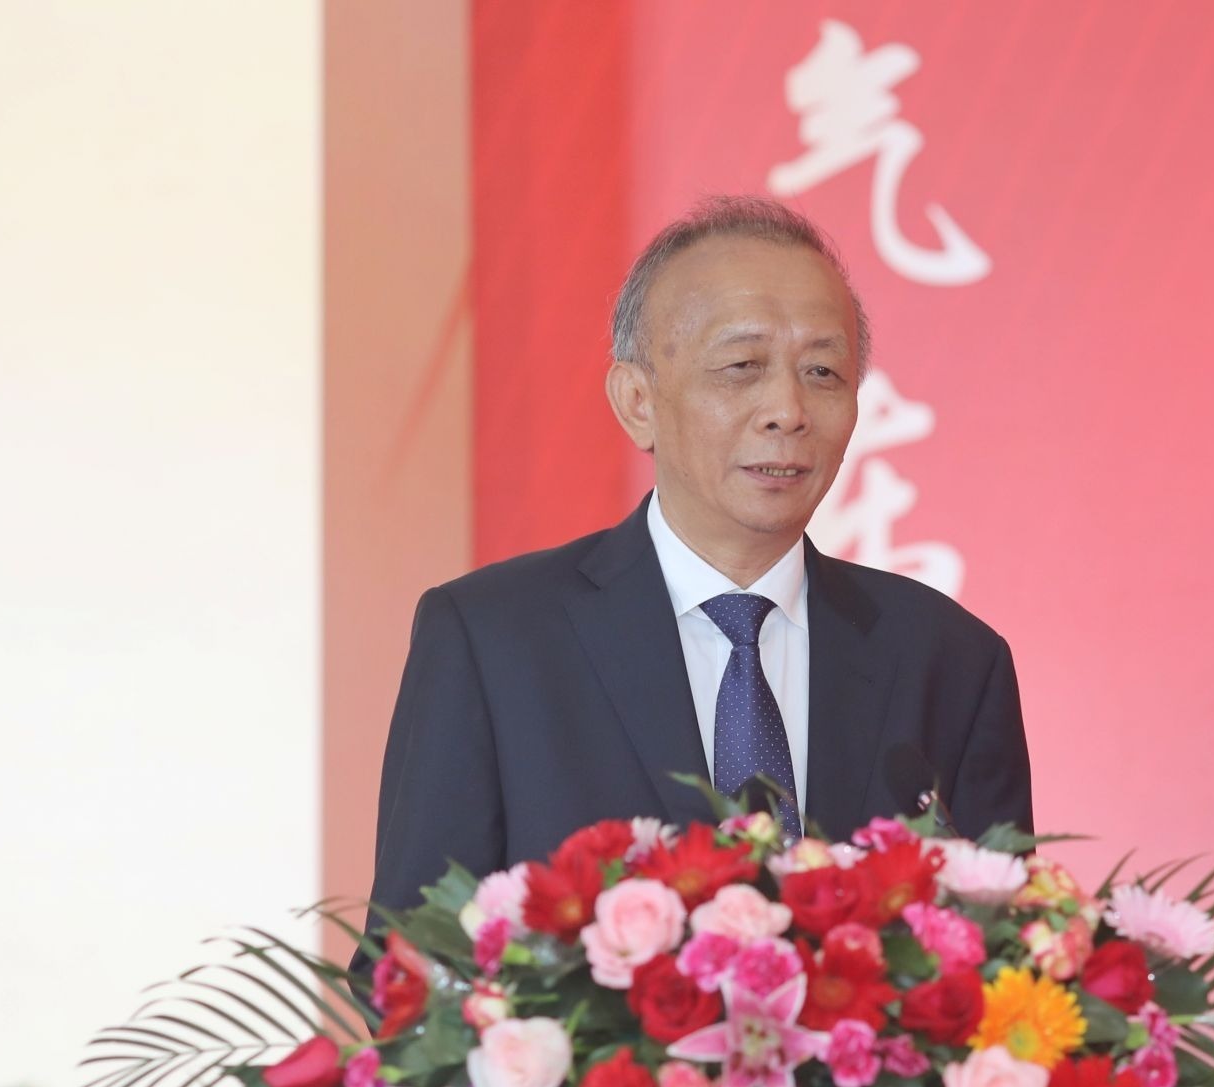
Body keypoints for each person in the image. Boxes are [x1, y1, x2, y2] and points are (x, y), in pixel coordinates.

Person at [366, 195, 1031, 923]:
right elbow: (411, 962)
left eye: (823, 373)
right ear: (637, 400)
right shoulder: (493, 641)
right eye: (742, 366)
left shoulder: (950, 661)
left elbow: (1008, 954)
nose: (788, 411)